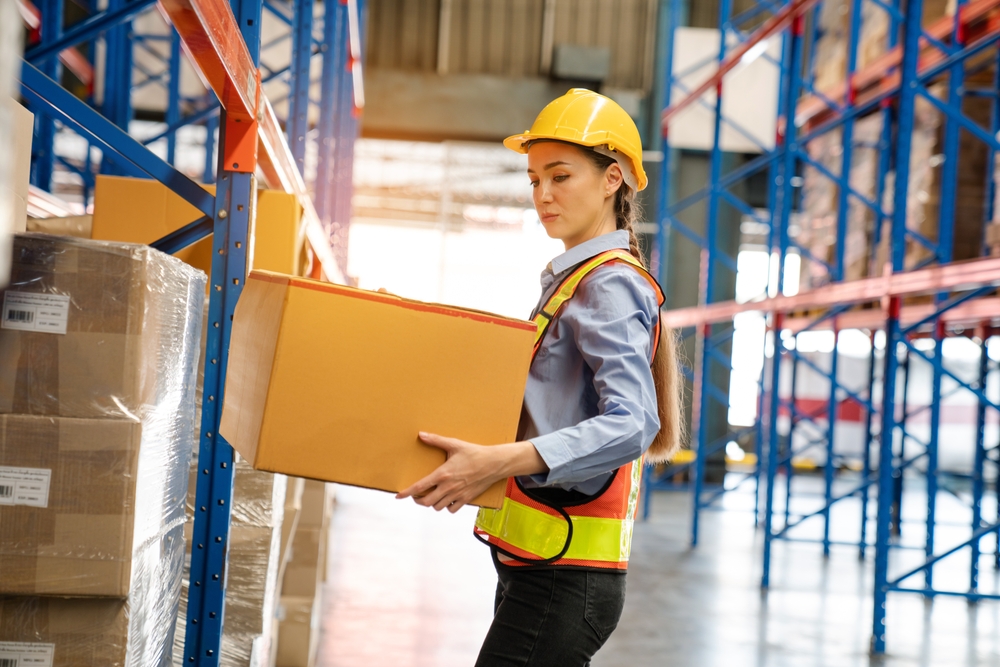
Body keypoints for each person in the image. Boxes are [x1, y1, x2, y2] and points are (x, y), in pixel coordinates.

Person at [396, 88, 683, 667]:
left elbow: (633, 424)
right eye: (533, 179)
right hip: (541, 565)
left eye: (561, 175)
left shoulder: (608, 283)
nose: (542, 195)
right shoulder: (575, 278)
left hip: (564, 582)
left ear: (613, 178)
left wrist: (497, 462)